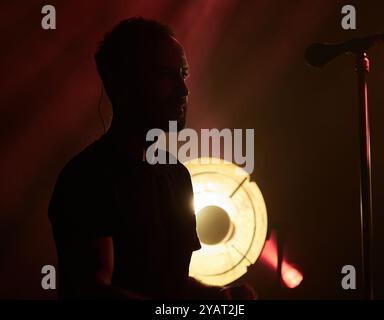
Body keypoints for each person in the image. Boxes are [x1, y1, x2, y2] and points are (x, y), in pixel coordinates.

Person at [48, 17, 255, 300]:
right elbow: (93, 294)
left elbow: (170, 283)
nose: (183, 90)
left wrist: (220, 297)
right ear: (124, 85)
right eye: (166, 76)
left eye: (183, 74)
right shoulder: (87, 179)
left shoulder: (177, 175)